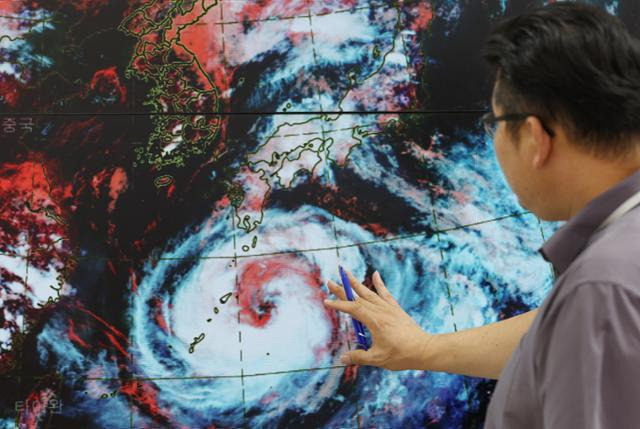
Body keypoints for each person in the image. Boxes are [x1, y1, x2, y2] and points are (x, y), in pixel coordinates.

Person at [324, 2, 640, 428]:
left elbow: (588, 320)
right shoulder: (613, 268)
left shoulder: (601, 287)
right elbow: (561, 338)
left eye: (495, 121)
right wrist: (422, 348)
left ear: (534, 137)